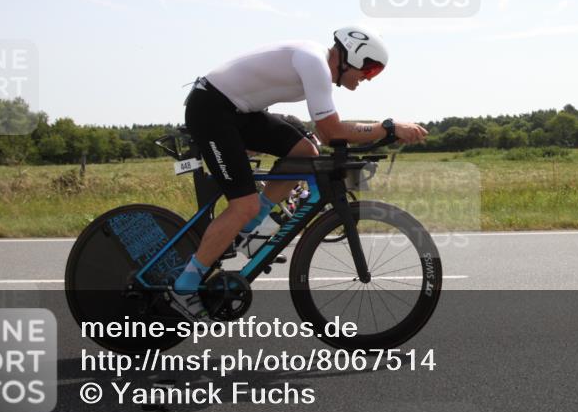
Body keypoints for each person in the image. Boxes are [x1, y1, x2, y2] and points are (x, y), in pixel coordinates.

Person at [169, 26, 429, 320]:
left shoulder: (316, 62)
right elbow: (331, 132)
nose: (366, 78)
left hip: (237, 111)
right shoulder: (315, 64)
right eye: (368, 70)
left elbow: (324, 135)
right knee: (243, 204)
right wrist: (390, 127)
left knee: (305, 154)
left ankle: (250, 229)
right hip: (211, 109)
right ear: (350, 57)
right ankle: (185, 286)